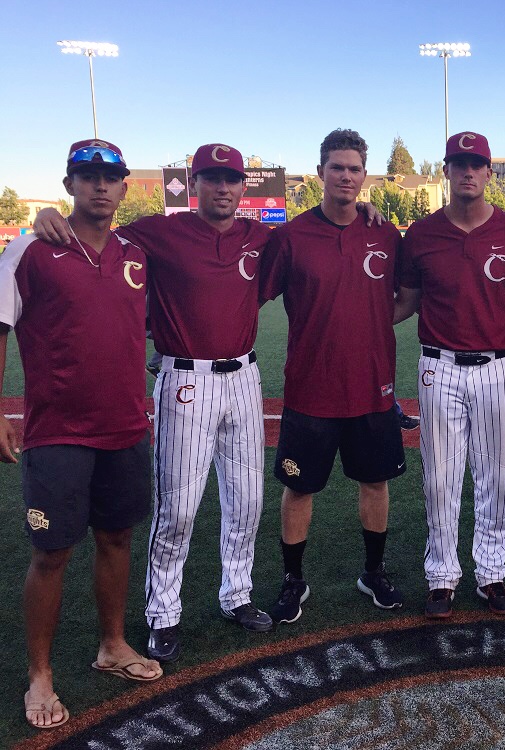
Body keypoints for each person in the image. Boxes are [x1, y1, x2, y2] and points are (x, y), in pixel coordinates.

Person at [34, 143, 275, 662]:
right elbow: (90, 234)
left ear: (242, 185)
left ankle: (237, 595)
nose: (223, 187)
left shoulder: (260, 236)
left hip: (244, 376)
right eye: (212, 178)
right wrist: (47, 213)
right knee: (178, 506)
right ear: (195, 184)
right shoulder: (155, 232)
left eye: (231, 178)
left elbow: (312, 240)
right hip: (186, 378)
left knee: (247, 500)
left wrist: (363, 208)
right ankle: (163, 613)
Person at [1, 140, 162, 729]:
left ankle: (112, 646)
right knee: (51, 553)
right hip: (57, 432)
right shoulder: (31, 248)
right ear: (69, 184)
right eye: (88, 176)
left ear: (124, 187)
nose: (101, 186)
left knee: (116, 538)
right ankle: (40, 676)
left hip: (125, 424)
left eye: (111, 177)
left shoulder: (135, 252)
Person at [261, 129, 406, 624]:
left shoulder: (385, 233)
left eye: (354, 168)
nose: (346, 175)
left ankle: (374, 571)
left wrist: (370, 320)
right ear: (321, 171)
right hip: (310, 388)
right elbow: (249, 294)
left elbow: (411, 295)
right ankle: (292, 580)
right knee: (299, 489)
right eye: (337, 167)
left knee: (375, 483)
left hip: (372, 386)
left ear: (365, 175)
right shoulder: (290, 236)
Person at [394, 132, 505, 619]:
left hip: (496, 365)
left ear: (489, 173)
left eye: (477, 164)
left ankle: (492, 572)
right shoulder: (423, 233)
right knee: (440, 477)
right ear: (447, 171)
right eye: (459, 163)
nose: (468, 171)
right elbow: (406, 302)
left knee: (496, 474)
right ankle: (441, 575)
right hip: (440, 365)